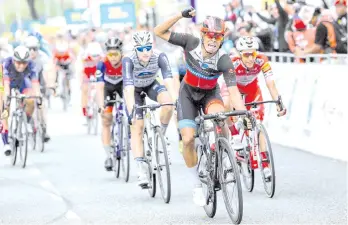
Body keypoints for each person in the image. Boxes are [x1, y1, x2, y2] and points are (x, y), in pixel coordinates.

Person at [154, 8, 250, 206]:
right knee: (188, 139)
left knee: (220, 116)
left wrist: (243, 116)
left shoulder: (224, 59)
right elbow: (158, 31)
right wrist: (179, 15)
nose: (213, 40)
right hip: (187, 94)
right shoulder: (190, 42)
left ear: (222, 39)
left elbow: (233, 92)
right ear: (203, 35)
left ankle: (225, 152)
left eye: (218, 37)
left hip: (209, 95)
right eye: (210, 35)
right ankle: (196, 184)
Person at [219, 36, 286, 179]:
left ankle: (265, 164)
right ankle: (235, 134)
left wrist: (278, 102)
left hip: (252, 91)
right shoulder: (233, 62)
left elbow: (270, 84)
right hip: (233, 88)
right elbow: (231, 90)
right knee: (226, 104)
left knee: (258, 123)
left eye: (253, 54)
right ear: (240, 54)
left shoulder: (262, 60)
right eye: (246, 54)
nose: (250, 58)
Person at [122, 31, 175, 188]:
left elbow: (169, 81)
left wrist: (175, 100)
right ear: (135, 49)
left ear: (153, 46)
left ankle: (160, 137)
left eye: (148, 47)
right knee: (137, 126)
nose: (145, 52)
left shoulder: (160, 56)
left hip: (152, 84)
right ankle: (141, 169)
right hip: (135, 90)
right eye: (141, 49)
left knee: (168, 104)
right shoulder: (128, 60)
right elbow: (128, 89)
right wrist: (132, 110)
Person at [1, 46, 40, 156]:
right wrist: (6, 99)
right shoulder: (6, 64)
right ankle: (6, 142)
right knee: (4, 108)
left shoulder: (32, 65)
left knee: (31, 100)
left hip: (22, 83)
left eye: (24, 63)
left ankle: (26, 121)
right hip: (6, 82)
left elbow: (35, 83)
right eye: (18, 63)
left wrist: (38, 96)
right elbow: (6, 85)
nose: (21, 66)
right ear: (13, 60)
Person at [96, 37, 123, 171]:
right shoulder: (102, 64)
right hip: (108, 88)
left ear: (121, 53)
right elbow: (99, 87)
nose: (112, 58)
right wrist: (101, 105)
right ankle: (108, 156)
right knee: (106, 120)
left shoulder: (126, 62)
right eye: (109, 54)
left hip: (123, 86)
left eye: (115, 54)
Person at [24, 36, 51, 142]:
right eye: (29, 49)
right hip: (26, 84)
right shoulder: (22, 58)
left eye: (34, 49)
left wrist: (50, 85)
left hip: (39, 82)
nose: (32, 51)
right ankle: (25, 121)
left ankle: (44, 129)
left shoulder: (43, 58)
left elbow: (48, 72)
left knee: (41, 105)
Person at [81, 42, 103, 119]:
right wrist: (82, 80)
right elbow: (81, 70)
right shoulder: (85, 57)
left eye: (97, 55)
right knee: (84, 89)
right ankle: (84, 108)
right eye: (93, 55)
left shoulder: (102, 57)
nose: (95, 57)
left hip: (97, 72)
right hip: (87, 72)